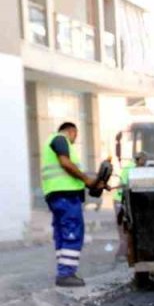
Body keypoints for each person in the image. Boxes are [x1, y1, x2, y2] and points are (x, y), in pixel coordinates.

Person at [41, 122, 106, 288]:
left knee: (62, 234)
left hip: (56, 195)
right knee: (72, 231)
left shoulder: (53, 142)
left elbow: (68, 173)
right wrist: (87, 180)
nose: (75, 140)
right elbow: (65, 163)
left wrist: (92, 183)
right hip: (66, 196)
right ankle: (66, 274)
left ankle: (65, 270)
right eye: (75, 136)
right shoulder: (60, 139)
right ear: (71, 131)